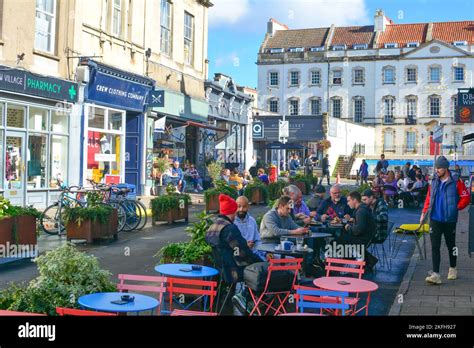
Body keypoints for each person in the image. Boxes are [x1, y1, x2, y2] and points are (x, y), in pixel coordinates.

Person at [205, 194, 262, 315]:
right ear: (232, 211)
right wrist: (259, 262)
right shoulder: (230, 228)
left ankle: (242, 299)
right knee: (261, 271)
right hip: (234, 271)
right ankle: (246, 299)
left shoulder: (212, 226)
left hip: (219, 269)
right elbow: (243, 252)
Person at [420, 156, 470, 285]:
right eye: (436, 167)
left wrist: (456, 208)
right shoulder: (434, 181)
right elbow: (429, 198)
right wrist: (423, 213)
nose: (437, 170)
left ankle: (453, 267)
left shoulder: (456, 181)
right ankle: (436, 274)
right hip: (435, 219)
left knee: (451, 245)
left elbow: (466, 197)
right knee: (435, 246)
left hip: (449, 220)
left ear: (446, 168)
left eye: (440, 168)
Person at [341, 191, 377, 269]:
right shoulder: (362, 209)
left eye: (349, 201)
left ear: (355, 200)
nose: (347, 203)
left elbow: (358, 230)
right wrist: (352, 220)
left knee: (338, 241)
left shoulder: (361, 211)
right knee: (341, 238)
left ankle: (346, 264)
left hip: (363, 238)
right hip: (367, 237)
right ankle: (369, 259)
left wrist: (348, 227)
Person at [233, 196, 266, 261]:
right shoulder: (232, 222)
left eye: (244, 206)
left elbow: (258, 241)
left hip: (256, 253)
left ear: (248, 207)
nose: (241, 209)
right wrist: (244, 246)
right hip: (242, 257)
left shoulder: (252, 220)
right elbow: (232, 247)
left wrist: (265, 253)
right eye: (238, 206)